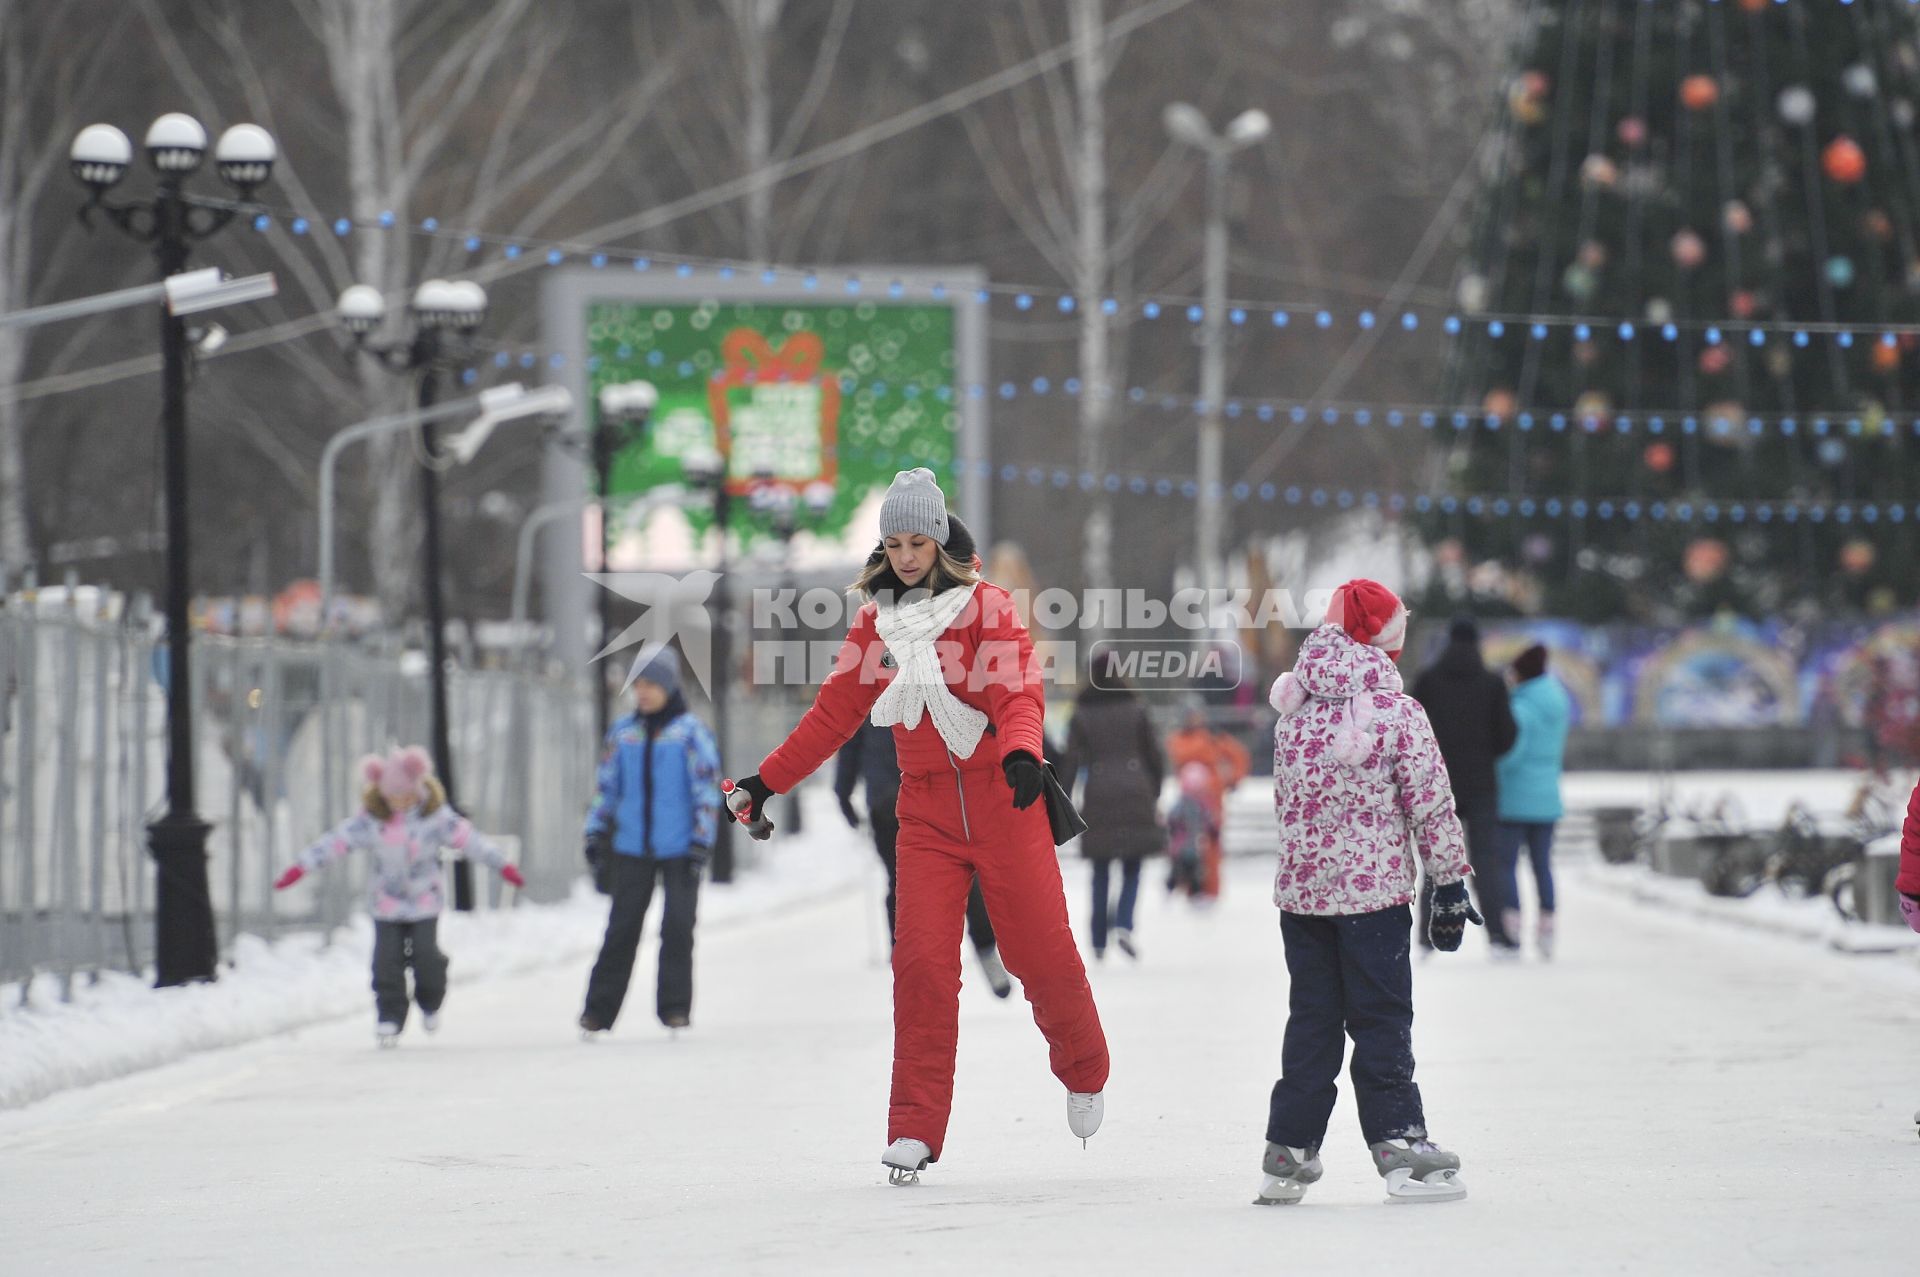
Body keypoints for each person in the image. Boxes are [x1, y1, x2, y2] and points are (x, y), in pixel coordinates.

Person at [725, 468, 1109, 1185]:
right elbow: (833, 713)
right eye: (893, 543)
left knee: (1040, 956)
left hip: (1005, 800)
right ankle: (912, 1127)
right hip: (926, 813)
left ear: (939, 538)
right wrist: (764, 780)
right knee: (922, 966)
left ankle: (1085, 1066)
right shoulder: (876, 623)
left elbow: (1019, 688)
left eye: (916, 540)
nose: (905, 555)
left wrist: (1024, 751)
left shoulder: (985, 608)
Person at [1256, 579, 1478, 1206]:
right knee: (1381, 1021)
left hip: (1302, 902)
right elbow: (1431, 804)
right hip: (1373, 900)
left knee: (1314, 1023)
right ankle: (1400, 1145)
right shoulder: (1397, 713)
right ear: (1382, 639)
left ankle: (1289, 1149)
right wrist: (1450, 880)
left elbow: (1290, 805)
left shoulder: (1292, 710)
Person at [273, 746, 524, 1047]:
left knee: (425, 957)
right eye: (393, 797)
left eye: (406, 795)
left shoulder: (435, 817)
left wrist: (502, 865)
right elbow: (335, 841)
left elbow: (470, 840)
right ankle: (389, 1015)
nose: (401, 802)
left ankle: (430, 998)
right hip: (386, 903)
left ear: (417, 788)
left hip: (424, 901)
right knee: (386, 962)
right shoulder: (371, 820)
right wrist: (300, 868)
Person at [578, 647, 720, 1036]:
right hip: (632, 847)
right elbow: (606, 789)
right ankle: (597, 1012)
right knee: (621, 927)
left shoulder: (690, 735)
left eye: (651, 684)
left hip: (680, 848)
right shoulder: (624, 735)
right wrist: (595, 830)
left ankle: (674, 1008)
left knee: (677, 926)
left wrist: (701, 840)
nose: (644, 692)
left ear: (669, 687)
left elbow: (707, 790)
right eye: (638, 685)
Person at [835, 720, 1012, 997]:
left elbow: (850, 750)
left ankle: (907, 962)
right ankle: (980, 952)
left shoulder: (869, 691)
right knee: (959, 876)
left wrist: (844, 796)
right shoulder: (926, 682)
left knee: (902, 882)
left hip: (892, 800)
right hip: (924, 797)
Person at [1411, 617, 1518, 957]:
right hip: (1482, 784)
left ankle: (1427, 938)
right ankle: (1498, 936)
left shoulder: (1427, 682)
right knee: (1487, 861)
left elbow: (1411, 731)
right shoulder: (1492, 683)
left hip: (1437, 787)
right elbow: (1507, 736)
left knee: (1435, 860)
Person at [1061, 650, 1165, 960]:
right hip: (1137, 790)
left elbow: (1070, 760)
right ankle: (1123, 922)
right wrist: (1153, 791)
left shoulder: (1081, 713)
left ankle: (1097, 939)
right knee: (1133, 864)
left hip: (1099, 793)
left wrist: (1062, 799)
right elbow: (1155, 756)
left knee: (1101, 866)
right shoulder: (1136, 708)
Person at [1495, 644, 1572, 959]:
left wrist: (1493, 767)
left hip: (1514, 797)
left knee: (1507, 865)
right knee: (1542, 865)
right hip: (1547, 796)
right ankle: (1547, 928)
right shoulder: (1557, 701)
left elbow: (1513, 753)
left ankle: (1512, 928)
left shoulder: (1522, 708)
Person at [1164, 706, 1250, 901]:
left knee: (1211, 842)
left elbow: (1238, 755)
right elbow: (1181, 755)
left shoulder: (1212, 738)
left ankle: (1209, 889)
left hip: (1212, 797)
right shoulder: (1189, 739)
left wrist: (1233, 778)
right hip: (1191, 800)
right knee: (1187, 843)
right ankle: (1193, 887)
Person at [1165, 762, 1219, 898]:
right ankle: (1186, 889)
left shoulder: (1188, 803)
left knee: (1187, 869)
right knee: (1189, 870)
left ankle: (1184, 889)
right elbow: (1209, 820)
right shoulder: (1200, 804)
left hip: (1185, 844)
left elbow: (1172, 818)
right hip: (1190, 844)